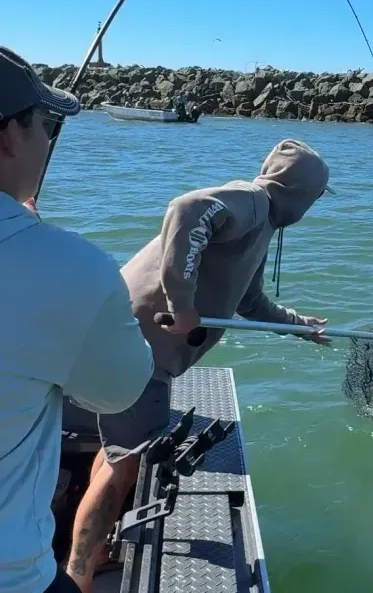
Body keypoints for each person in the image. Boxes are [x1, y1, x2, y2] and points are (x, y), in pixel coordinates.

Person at [66, 138, 332, 593]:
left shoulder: (260, 226)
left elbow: (246, 300)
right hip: (136, 349)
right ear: (300, 192)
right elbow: (187, 209)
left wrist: (298, 326)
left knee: (118, 454)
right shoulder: (252, 200)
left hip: (123, 344)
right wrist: (181, 301)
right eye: (315, 196)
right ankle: (78, 574)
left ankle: (96, 553)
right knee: (126, 463)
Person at [0, 47, 155, 593]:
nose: (48, 141)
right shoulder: (71, 268)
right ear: (8, 138)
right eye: (45, 124)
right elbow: (120, 391)